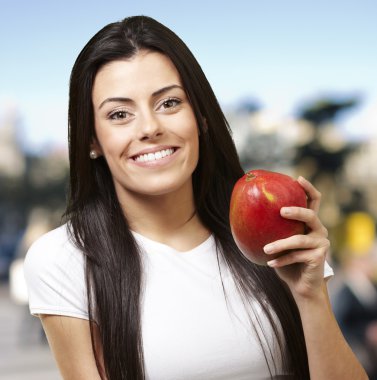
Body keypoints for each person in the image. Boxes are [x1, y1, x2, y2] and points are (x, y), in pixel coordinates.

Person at [23, 15, 367, 380]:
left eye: (169, 103)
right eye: (120, 114)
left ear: (201, 116)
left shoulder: (272, 237)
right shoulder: (65, 258)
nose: (150, 128)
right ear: (92, 140)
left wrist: (310, 294)